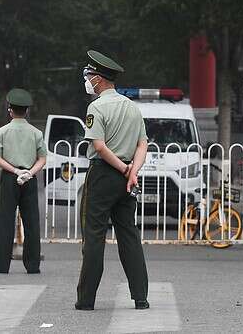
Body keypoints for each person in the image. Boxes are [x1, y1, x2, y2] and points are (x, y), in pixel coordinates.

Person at [76, 50, 149, 310]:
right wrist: (132, 172)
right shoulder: (132, 107)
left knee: (94, 235)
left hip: (103, 174)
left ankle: (86, 299)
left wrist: (121, 168)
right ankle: (140, 296)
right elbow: (143, 144)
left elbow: (99, 145)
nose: (87, 79)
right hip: (127, 178)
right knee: (129, 234)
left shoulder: (96, 107)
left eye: (89, 75)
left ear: (99, 79)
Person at [0, 88, 47, 274]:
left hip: (9, 177)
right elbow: (43, 158)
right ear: (27, 111)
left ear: (10, 110)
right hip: (29, 179)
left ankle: (1, 264)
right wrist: (29, 173)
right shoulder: (36, 133)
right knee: (31, 222)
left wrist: (15, 170)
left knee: (5, 220)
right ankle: (32, 265)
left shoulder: (2, 132)